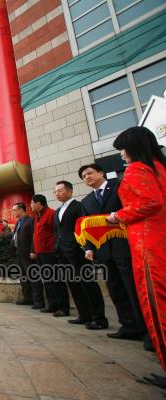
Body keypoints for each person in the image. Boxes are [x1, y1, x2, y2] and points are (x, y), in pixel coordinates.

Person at [106, 126, 166, 388]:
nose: (121, 155)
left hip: (148, 245)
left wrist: (118, 216)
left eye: (122, 149)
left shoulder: (138, 169)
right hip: (157, 240)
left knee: (157, 304)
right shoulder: (159, 168)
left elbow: (150, 202)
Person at [79, 163, 149, 341]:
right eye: (83, 176)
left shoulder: (119, 186)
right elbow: (88, 228)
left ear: (101, 172)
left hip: (126, 246)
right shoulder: (87, 201)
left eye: (89, 173)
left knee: (132, 288)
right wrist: (89, 248)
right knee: (115, 289)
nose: (87, 177)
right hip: (104, 252)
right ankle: (128, 326)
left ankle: (146, 330)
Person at [54, 181, 107, 326]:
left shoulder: (79, 206)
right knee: (73, 284)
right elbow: (57, 232)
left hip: (78, 250)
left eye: (60, 190)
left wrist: (85, 247)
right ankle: (84, 315)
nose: (57, 193)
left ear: (70, 191)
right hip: (63, 253)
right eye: (55, 191)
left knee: (88, 283)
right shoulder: (58, 210)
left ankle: (99, 318)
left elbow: (84, 227)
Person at [30, 194, 69, 315]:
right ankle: (52, 305)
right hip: (40, 253)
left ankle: (63, 308)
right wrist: (34, 250)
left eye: (32, 203)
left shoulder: (51, 213)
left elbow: (57, 232)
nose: (30, 205)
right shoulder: (36, 216)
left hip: (50, 253)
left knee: (56, 280)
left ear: (38, 203)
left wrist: (55, 248)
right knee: (47, 281)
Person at [11, 202, 44, 308]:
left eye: (14, 210)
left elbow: (34, 237)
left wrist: (33, 251)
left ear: (21, 210)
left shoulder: (29, 221)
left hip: (28, 254)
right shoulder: (18, 222)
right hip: (19, 254)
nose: (13, 212)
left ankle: (38, 301)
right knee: (23, 278)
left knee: (33, 277)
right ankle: (28, 298)